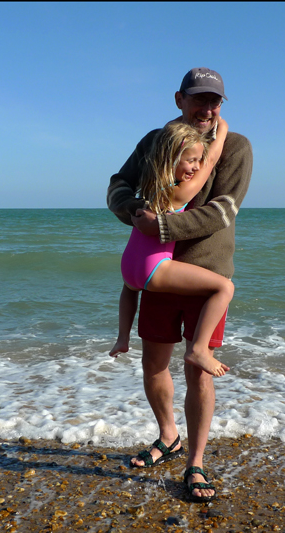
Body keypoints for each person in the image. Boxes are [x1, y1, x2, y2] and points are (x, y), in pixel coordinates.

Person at [106, 67, 253, 501]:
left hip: (206, 273)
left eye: (216, 102)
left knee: (198, 372)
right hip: (157, 274)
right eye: (199, 99)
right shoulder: (155, 141)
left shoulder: (237, 147)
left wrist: (163, 227)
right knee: (153, 364)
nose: (207, 109)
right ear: (179, 100)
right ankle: (168, 437)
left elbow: (225, 209)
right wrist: (137, 214)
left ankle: (196, 463)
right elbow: (118, 185)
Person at [109, 120, 233, 378]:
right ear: (171, 160)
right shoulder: (177, 194)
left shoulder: (149, 190)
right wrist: (220, 134)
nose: (196, 166)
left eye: (198, 160)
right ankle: (199, 349)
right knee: (224, 287)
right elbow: (211, 163)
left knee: (130, 290)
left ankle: (122, 337)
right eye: (191, 161)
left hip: (130, 265)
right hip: (152, 267)